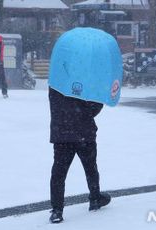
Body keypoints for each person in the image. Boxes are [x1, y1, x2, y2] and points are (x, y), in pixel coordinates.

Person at [48, 89, 111, 224]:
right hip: (84, 133)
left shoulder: (56, 82)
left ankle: (57, 210)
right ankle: (95, 199)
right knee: (90, 168)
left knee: (59, 173)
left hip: (62, 134)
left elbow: (55, 105)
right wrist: (83, 114)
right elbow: (96, 105)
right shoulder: (85, 79)